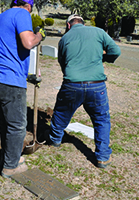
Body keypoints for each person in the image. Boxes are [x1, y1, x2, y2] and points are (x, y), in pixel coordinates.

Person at [46, 14, 121, 168]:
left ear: (68, 25)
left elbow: (63, 63)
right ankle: (102, 157)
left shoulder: (64, 39)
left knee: (61, 113)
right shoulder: (99, 32)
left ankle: (55, 140)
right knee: (101, 120)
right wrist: (102, 58)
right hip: (96, 85)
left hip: (72, 84)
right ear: (83, 23)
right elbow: (115, 51)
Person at [0, 0, 45, 178]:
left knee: (6, 122)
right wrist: (40, 35)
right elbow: (28, 42)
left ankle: (8, 156)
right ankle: (11, 166)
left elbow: (9, 47)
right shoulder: (22, 14)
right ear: (29, 6)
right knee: (18, 126)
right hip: (10, 82)